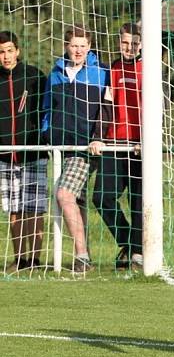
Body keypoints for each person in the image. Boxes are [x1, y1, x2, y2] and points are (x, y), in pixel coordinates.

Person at [42, 25, 109, 273]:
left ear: (89, 47)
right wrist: (48, 133)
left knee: (64, 195)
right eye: (74, 45)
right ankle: (86, 255)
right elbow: (47, 108)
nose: (78, 50)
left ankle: (80, 256)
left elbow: (107, 109)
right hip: (61, 148)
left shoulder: (101, 73)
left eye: (82, 45)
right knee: (76, 200)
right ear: (66, 46)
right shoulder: (55, 74)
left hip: (86, 148)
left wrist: (98, 137)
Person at [90, 23, 143, 271]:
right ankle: (130, 244)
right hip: (115, 144)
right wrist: (99, 136)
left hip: (141, 148)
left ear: (141, 44)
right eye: (125, 43)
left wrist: (146, 140)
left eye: (134, 43)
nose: (129, 48)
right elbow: (107, 106)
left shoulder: (150, 69)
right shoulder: (113, 68)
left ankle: (139, 254)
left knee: (139, 202)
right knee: (102, 197)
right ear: (118, 42)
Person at [0, 31, 49, 271]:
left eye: (10, 50)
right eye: (1, 51)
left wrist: (42, 138)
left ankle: (35, 259)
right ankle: (19, 258)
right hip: (6, 156)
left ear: (17, 51)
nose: (6, 56)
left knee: (35, 208)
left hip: (33, 153)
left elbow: (45, 112)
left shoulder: (34, 76)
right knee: (14, 209)